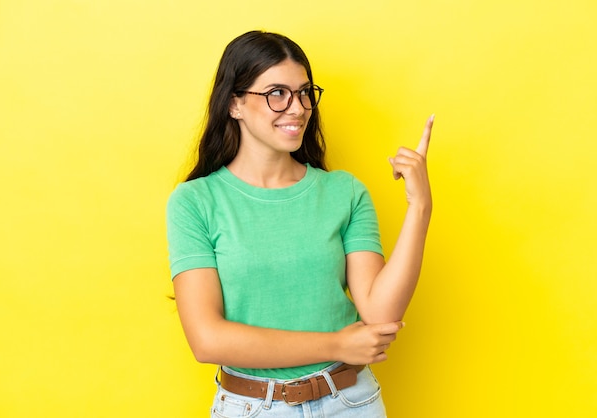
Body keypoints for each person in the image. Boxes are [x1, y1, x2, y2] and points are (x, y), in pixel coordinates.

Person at [166, 30, 433, 417]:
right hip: (253, 407)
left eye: (305, 92)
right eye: (277, 93)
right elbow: (207, 340)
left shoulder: (344, 192)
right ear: (235, 104)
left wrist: (419, 206)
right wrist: (335, 345)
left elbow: (379, 314)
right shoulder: (195, 202)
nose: (297, 107)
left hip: (351, 402)